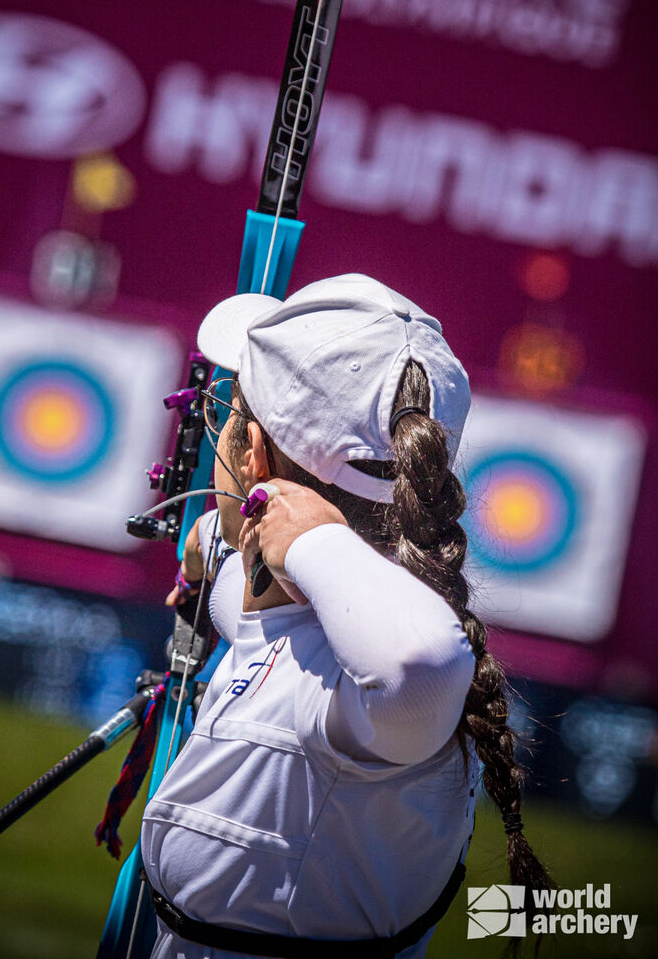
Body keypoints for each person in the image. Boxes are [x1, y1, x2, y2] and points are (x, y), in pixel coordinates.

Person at [133, 274, 552, 956]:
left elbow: (419, 665)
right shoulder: (319, 616)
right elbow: (247, 586)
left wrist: (311, 540)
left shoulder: (365, 686)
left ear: (255, 458)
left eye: (229, 415)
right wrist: (209, 547)